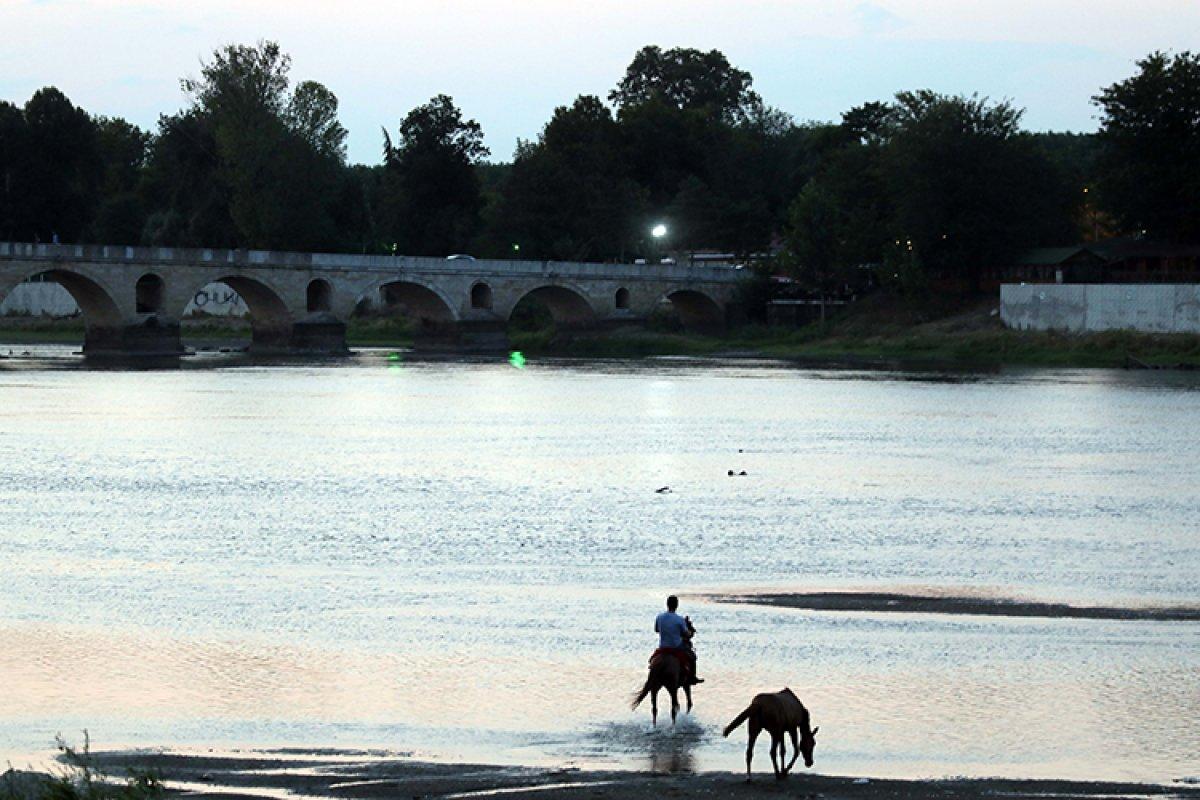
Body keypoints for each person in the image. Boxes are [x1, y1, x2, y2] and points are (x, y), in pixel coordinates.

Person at [655, 595, 703, 684]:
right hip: (676, 646)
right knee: (692, 657)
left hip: (663, 647)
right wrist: (690, 633)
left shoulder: (659, 617)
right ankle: (692, 677)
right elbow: (686, 633)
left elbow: (657, 630)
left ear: (667, 604)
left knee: (653, 661)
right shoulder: (679, 619)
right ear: (677, 605)